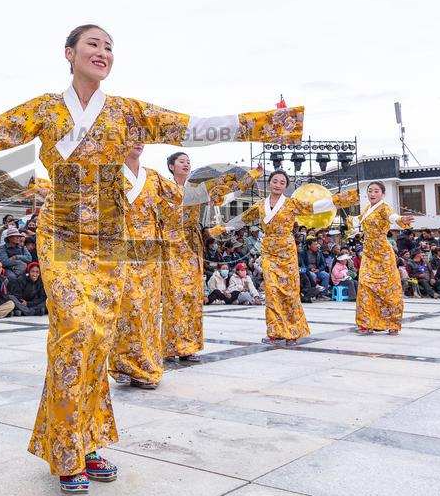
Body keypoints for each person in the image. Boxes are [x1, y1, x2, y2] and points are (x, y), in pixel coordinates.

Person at [0, 23, 302, 490]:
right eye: (93, 44)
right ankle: (68, 449)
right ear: (68, 53)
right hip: (63, 234)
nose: (103, 52)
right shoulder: (46, 109)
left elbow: (193, 127)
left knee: (96, 341)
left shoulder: (127, 112)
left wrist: (272, 123)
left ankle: (84, 443)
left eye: (109, 47)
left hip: (110, 241)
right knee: (75, 331)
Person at [222, 170, 357, 344]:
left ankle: (292, 331)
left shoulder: (291, 203)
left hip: (286, 249)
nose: (278, 185)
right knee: (272, 291)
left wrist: (343, 199)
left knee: (289, 291)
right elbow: (242, 219)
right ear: (270, 183)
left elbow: (314, 206)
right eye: (275, 181)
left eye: (282, 182)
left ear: (286, 186)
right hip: (269, 249)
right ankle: (275, 331)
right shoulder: (260, 205)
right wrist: (222, 228)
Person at [163, 153, 261, 359]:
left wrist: (251, 175)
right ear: (171, 166)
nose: (186, 164)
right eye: (181, 161)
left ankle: (188, 347)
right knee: (174, 296)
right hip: (170, 244)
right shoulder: (162, 187)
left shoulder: (197, 190)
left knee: (192, 295)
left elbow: (226, 192)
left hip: (191, 243)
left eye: (188, 161)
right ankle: (170, 345)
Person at [108, 142, 183, 389]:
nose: (137, 141)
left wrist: (185, 178)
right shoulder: (109, 173)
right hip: (121, 244)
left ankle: (146, 364)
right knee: (127, 306)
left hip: (150, 248)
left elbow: (177, 196)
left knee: (149, 308)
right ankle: (122, 363)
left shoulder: (153, 176)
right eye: (129, 136)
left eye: (140, 136)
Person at [349, 182, 415, 335]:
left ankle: (392, 323)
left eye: (376, 191)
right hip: (368, 253)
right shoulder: (367, 209)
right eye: (370, 191)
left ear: (382, 194)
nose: (372, 194)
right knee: (365, 286)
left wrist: (401, 220)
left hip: (383, 254)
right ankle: (366, 323)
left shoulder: (385, 208)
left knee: (388, 289)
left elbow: (392, 217)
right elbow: (358, 221)